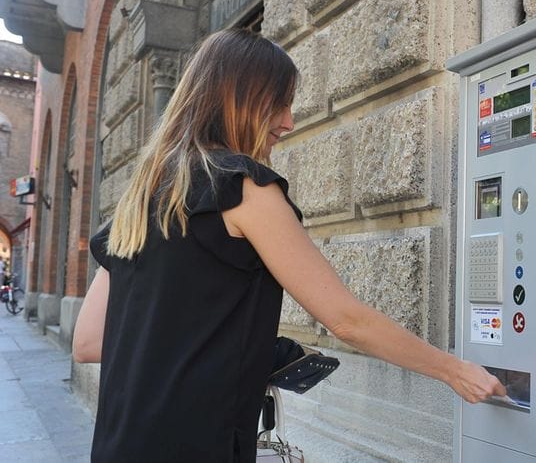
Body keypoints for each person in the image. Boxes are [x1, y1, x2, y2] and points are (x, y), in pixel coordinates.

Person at [72, 28, 505, 461]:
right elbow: (346, 320)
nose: (288, 121)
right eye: (279, 103)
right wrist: (456, 371)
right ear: (237, 97)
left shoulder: (138, 202)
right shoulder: (243, 187)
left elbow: (88, 342)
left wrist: (236, 348)